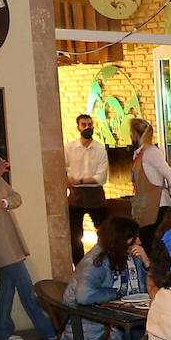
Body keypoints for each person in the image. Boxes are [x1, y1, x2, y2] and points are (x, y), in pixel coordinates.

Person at [0, 135, 57, 340]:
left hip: (9, 235)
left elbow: (16, 197)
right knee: (25, 285)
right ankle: (47, 329)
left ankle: (3, 330)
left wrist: (5, 201)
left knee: (7, 285)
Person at [62, 215, 149, 340]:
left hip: (121, 318)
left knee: (153, 333)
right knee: (138, 336)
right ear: (120, 238)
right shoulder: (95, 261)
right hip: (91, 326)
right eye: (134, 236)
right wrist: (117, 293)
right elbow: (84, 296)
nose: (139, 241)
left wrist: (147, 263)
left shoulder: (130, 255)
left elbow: (148, 287)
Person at [65, 112, 109, 265]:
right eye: (84, 124)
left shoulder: (100, 149)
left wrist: (79, 180)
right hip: (75, 196)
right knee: (75, 235)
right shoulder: (69, 148)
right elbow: (62, 170)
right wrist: (69, 182)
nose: (87, 127)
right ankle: (79, 265)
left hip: (96, 196)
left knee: (105, 232)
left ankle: (103, 262)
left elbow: (101, 178)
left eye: (90, 124)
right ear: (78, 127)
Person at [129, 117, 171, 250]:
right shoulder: (138, 154)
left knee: (153, 245)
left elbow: (170, 175)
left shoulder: (151, 152)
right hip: (144, 205)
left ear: (135, 134)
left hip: (158, 206)